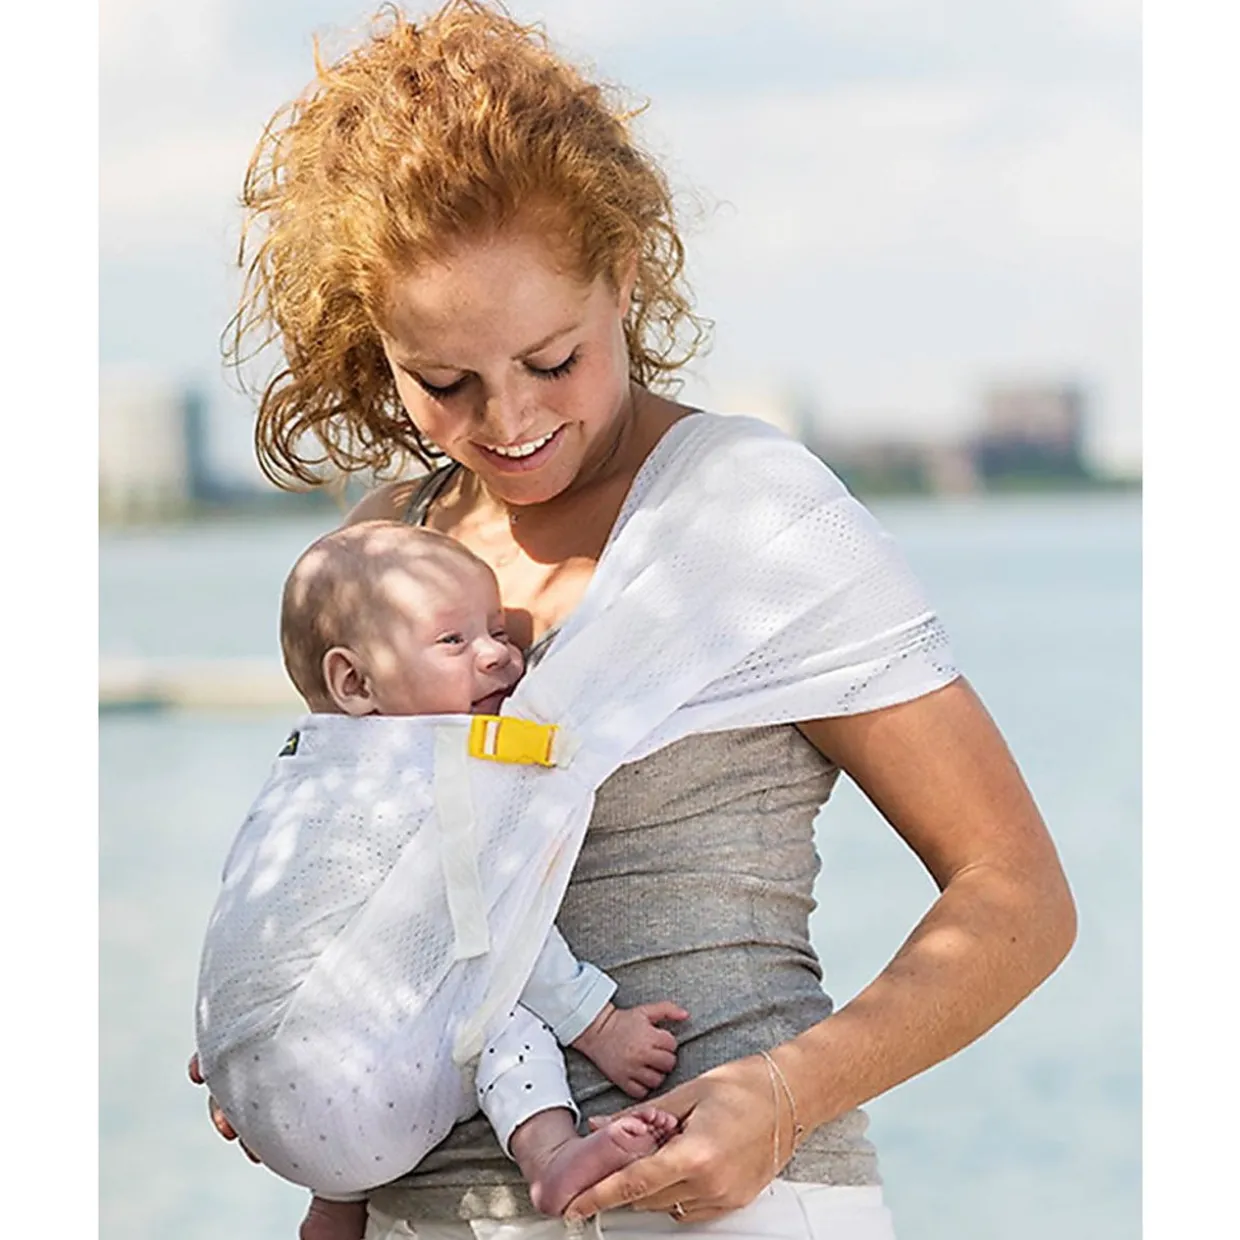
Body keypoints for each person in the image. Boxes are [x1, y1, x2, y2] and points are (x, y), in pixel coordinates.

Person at [192, 3, 1078, 1237]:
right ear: (372, 343)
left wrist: (782, 1095)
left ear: (623, 276)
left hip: (727, 1205)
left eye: (553, 359)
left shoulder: (749, 515)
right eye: (444, 382)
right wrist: (279, 1037)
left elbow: (1017, 895)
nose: (509, 421)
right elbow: (364, 878)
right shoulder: (387, 553)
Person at [195, 519, 685, 1240]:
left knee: (378, 995)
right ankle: (551, 1156)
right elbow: (499, 923)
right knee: (495, 1013)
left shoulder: (305, 772)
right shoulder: (442, 783)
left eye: (498, 630)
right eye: (454, 641)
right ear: (355, 682)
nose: (500, 656)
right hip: (358, 1104)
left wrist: (243, 1038)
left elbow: (257, 910)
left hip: (248, 1086)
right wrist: (599, 1025)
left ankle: (335, 1207)